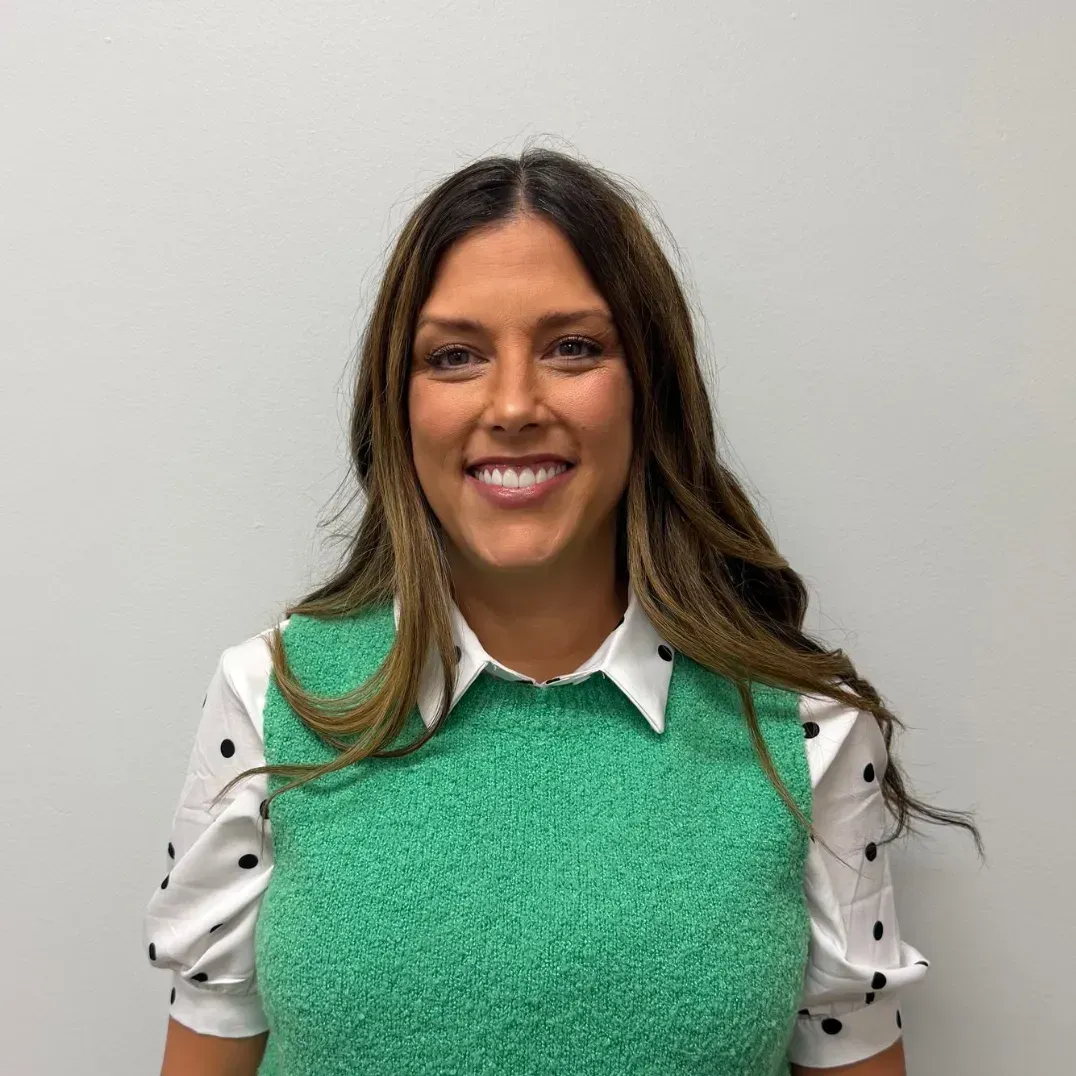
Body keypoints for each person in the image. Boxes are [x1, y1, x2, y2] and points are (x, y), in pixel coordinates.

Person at [144, 147, 980, 1076]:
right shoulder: (271, 699)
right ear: (399, 401)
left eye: (572, 347)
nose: (511, 404)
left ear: (647, 387)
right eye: (454, 355)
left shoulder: (810, 736)